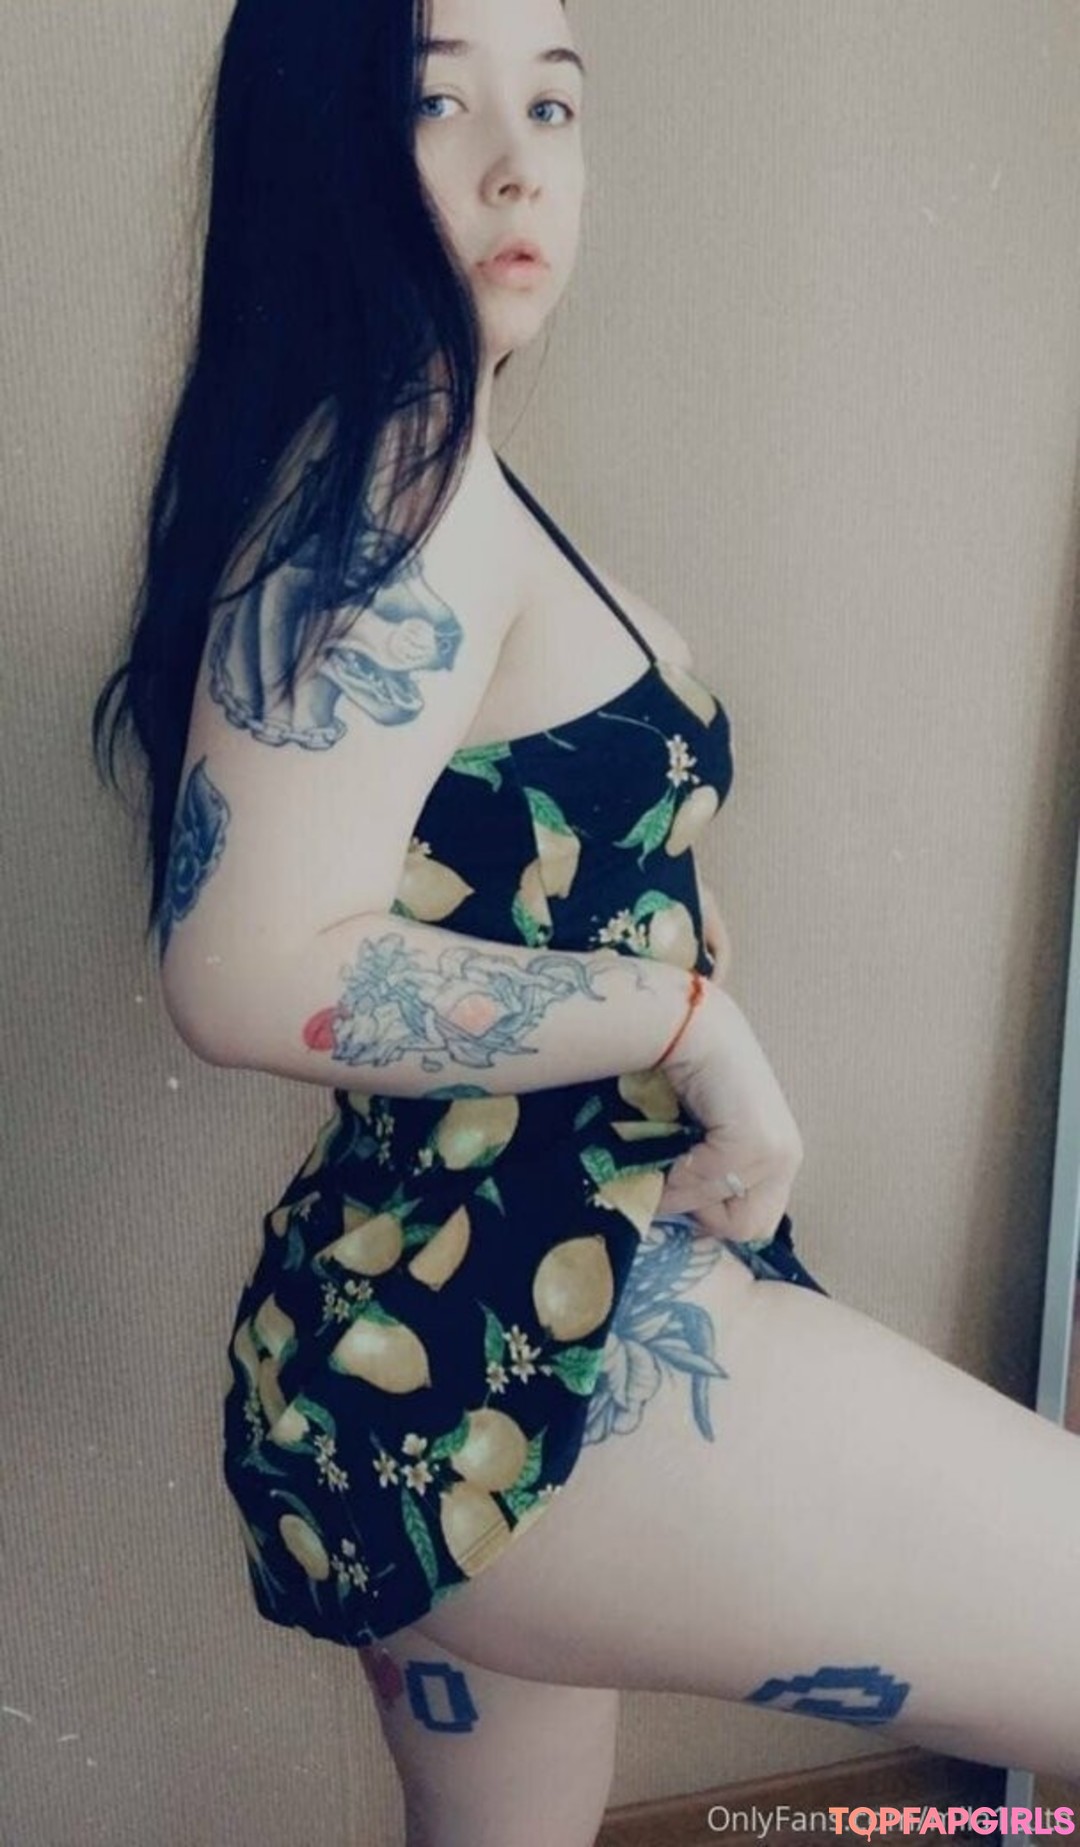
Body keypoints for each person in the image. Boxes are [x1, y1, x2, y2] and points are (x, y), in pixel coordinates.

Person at [91, 1, 1080, 1841]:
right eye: (435, 102)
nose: (516, 165)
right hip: (516, 1338)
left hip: (434, 1329)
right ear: (321, 146)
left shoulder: (403, 472)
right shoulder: (394, 488)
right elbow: (241, 970)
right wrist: (688, 1021)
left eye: (552, 106)